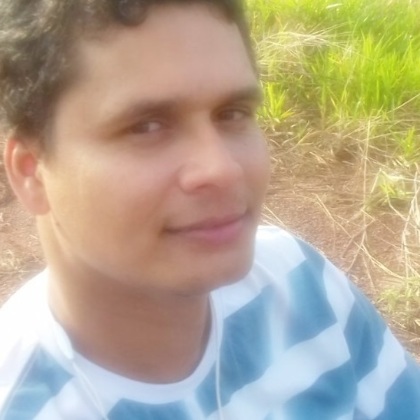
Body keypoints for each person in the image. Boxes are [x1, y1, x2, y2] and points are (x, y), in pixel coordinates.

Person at [0, 0, 419, 418]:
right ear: (31, 172)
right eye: (146, 126)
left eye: (232, 114)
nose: (222, 168)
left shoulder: (302, 286)